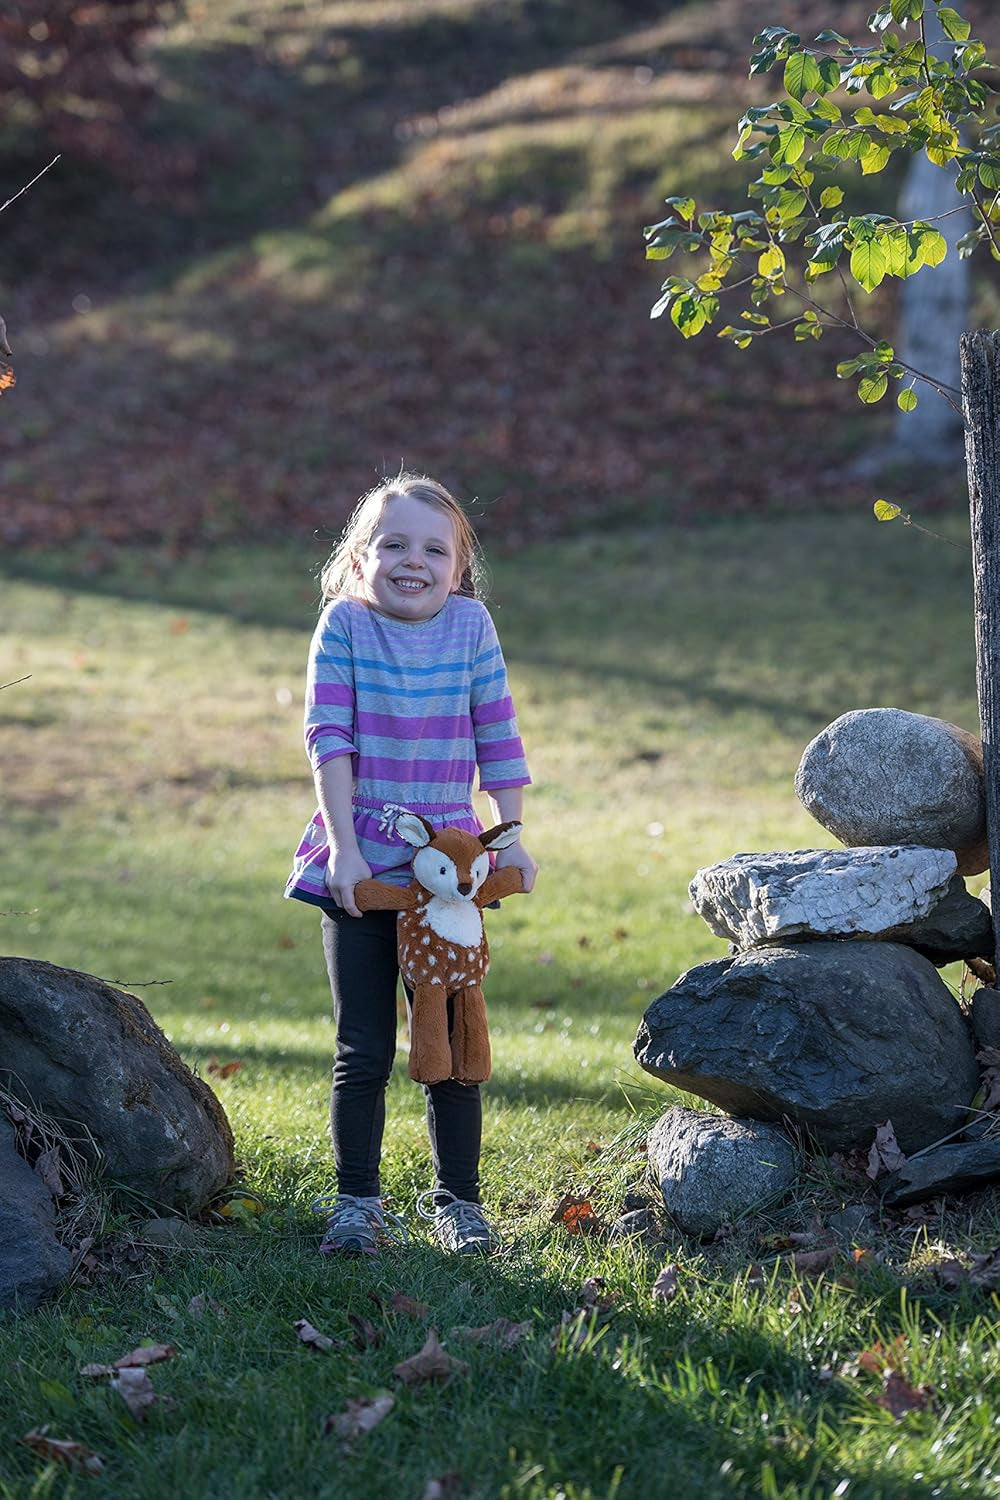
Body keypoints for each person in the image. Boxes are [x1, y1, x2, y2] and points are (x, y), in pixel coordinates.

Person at [285, 472, 537, 1257]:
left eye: (434, 548)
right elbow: (329, 739)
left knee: (455, 1043)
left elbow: (499, 737)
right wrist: (347, 850)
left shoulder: (471, 627)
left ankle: (459, 1203)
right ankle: (357, 1203)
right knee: (365, 1047)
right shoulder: (345, 627)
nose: (412, 560)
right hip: (364, 869)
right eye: (392, 544)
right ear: (359, 558)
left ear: (460, 566)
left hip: (450, 877)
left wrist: (512, 834)